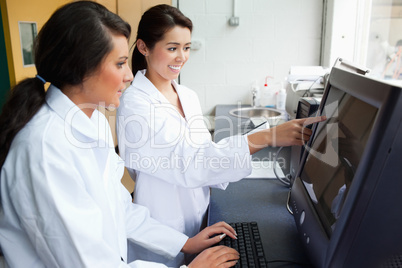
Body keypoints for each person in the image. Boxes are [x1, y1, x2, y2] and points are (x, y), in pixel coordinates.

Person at [0, 1, 240, 267]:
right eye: (120, 64)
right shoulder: (45, 150)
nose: (128, 75)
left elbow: (120, 208)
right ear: (81, 68)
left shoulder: (95, 124)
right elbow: (87, 263)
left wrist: (183, 243)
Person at [116, 4, 326, 266]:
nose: (181, 56)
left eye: (187, 47)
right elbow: (188, 162)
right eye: (172, 48)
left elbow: (205, 156)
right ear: (143, 47)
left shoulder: (187, 96)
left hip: (201, 218)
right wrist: (267, 137)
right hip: (162, 228)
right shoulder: (135, 104)